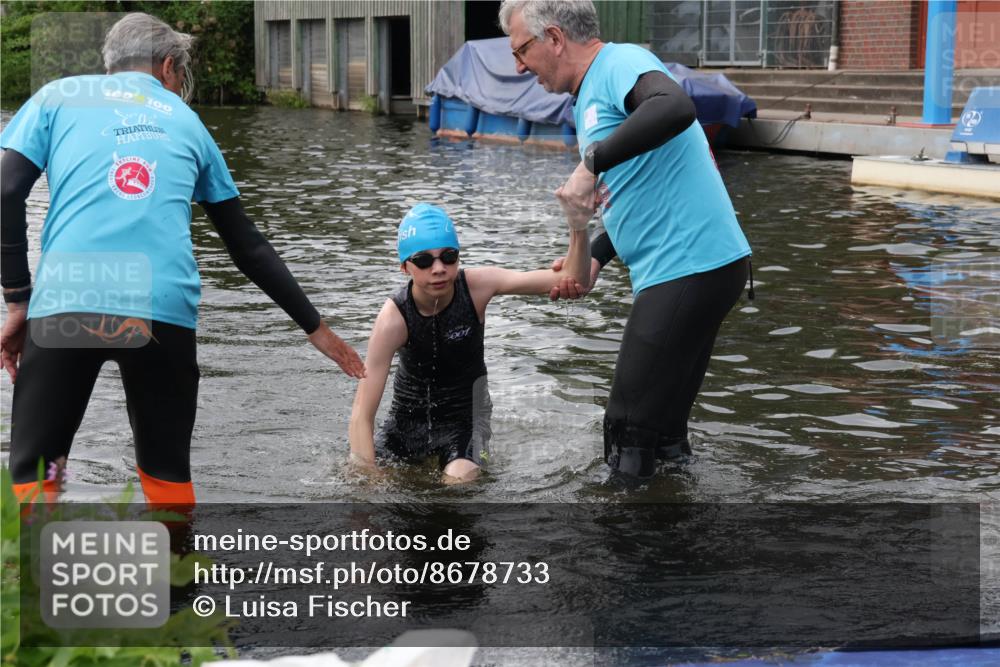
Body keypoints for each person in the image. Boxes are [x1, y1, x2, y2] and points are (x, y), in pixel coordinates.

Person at [0, 13, 365, 505]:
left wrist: (18, 299)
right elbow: (247, 245)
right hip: (161, 309)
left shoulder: (59, 97)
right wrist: (315, 327)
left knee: (34, 476)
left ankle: (32, 551)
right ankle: (175, 554)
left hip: (68, 298)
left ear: (110, 64)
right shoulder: (187, 121)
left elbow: (6, 192)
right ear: (168, 66)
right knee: (166, 477)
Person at [499, 0, 753, 479]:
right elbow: (638, 187)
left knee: (626, 426)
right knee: (661, 430)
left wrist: (590, 163)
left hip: (689, 266)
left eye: (521, 50)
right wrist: (596, 254)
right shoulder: (590, 94)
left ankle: (620, 526)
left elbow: (674, 106)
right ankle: (677, 518)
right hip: (701, 267)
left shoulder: (619, 63)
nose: (518, 66)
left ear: (554, 38)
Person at [349, 201, 590, 482]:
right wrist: (369, 478)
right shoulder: (393, 319)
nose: (439, 268)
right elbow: (361, 415)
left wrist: (578, 225)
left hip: (466, 421)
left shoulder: (477, 287)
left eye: (448, 257)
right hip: (405, 425)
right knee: (360, 476)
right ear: (405, 267)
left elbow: (572, 278)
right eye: (424, 261)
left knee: (459, 481)